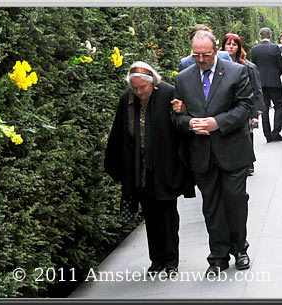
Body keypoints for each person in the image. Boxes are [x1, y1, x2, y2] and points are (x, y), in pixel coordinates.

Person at [170, 30, 254, 277]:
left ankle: (240, 249)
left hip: (233, 150)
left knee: (235, 201)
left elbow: (246, 106)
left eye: (205, 55)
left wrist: (217, 123)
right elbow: (176, 115)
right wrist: (189, 124)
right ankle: (217, 256)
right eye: (196, 55)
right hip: (202, 154)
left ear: (215, 50)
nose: (200, 60)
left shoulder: (236, 72)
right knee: (212, 206)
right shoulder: (183, 79)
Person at [104, 61, 195, 276]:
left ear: (152, 83)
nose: (138, 92)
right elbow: (118, 134)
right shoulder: (126, 99)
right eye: (135, 88)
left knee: (168, 216)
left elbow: (182, 123)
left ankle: (172, 260)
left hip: (165, 168)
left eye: (142, 88)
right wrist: (117, 167)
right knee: (150, 216)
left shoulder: (168, 94)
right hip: (140, 170)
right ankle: (156, 260)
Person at [221, 33, 265, 176]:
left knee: (246, 134)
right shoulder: (217, 66)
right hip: (225, 106)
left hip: (244, 106)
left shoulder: (248, 66)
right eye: (228, 44)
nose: (231, 47)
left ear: (239, 47)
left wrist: (257, 111)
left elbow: (256, 89)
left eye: (234, 44)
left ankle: (247, 163)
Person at [251, 27, 282, 143]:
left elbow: (253, 66)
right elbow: (280, 64)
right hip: (274, 82)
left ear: (261, 36)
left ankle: (267, 135)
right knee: (279, 105)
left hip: (261, 82)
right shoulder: (274, 48)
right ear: (270, 36)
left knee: (264, 108)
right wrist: (277, 74)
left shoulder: (255, 49)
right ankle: (276, 132)